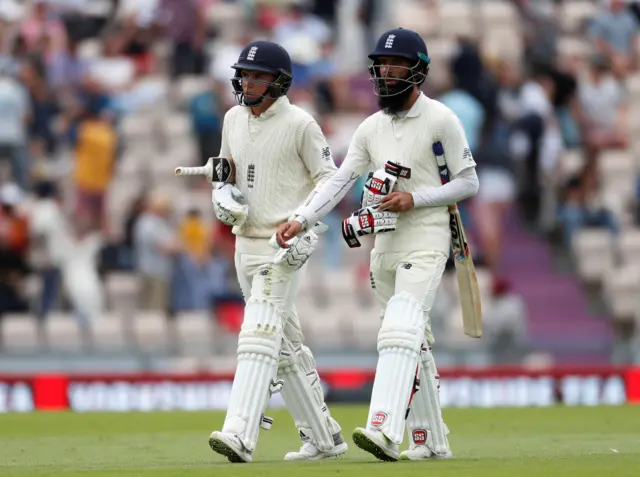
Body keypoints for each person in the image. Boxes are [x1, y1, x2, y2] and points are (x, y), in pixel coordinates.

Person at [276, 28, 480, 461]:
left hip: (426, 238)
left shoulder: (441, 119)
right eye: (381, 67)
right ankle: (431, 441)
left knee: (400, 331)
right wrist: (301, 217)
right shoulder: (371, 127)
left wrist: (415, 198)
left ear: (418, 70)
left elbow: (468, 181)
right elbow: (340, 179)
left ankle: (384, 429)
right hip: (383, 245)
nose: (386, 73)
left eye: (395, 66)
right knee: (412, 342)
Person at [207, 40, 346, 463]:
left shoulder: (302, 124)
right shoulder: (232, 118)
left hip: (284, 244)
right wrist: (221, 193)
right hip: (243, 242)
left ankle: (240, 434)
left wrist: (302, 219)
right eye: (244, 75)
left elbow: (331, 179)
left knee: (258, 333)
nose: (247, 82)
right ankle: (325, 438)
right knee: (283, 344)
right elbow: (225, 170)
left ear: (280, 82)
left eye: (257, 76)